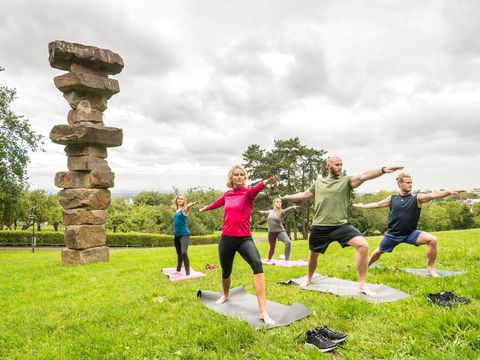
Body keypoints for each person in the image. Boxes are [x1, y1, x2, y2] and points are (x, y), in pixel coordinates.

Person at [281, 156, 403, 296]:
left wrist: (383, 170)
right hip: (320, 226)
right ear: (329, 166)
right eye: (337, 165)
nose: (340, 167)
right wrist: (288, 197)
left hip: (340, 225)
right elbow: (304, 194)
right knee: (313, 255)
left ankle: (363, 285)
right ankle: (308, 278)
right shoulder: (319, 183)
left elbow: (364, 176)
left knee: (363, 246)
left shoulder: (346, 181)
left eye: (341, 165)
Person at [200, 164, 276, 325]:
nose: (240, 177)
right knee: (226, 271)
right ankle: (226, 294)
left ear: (245, 177)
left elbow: (256, 189)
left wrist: (265, 183)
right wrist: (206, 208)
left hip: (244, 239)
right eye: (236, 175)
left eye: (242, 174)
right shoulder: (227, 194)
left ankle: (263, 311)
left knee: (257, 265)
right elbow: (217, 203)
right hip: (227, 239)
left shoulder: (248, 194)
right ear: (231, 178)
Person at [353, 173, 465, 277]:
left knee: (432, 240)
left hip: (410, 233)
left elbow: (433, 195)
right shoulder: (392, 198)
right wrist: (362, 206)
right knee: (378, 252)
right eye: (408, 182)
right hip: (393, 234)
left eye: (411, 183)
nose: (410, 185)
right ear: (400, 184)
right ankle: (365, 266)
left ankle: (430, 270)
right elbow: (377, 205)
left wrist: (449, 192)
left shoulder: (417, 198)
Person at [258, 198, 299, 262]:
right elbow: (265, 212)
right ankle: (269, 259)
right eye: (277, 202)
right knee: (272, 247)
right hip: (271, 232)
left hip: (280, 231)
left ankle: (286, 260)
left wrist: (293, 207)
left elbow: (287, 209)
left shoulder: (282, 212)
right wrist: (261, 212)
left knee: (288, 242)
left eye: (280, 202)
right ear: (274, 203)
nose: (279, 203)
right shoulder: (271, 211)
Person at [172, 194, 199, 277]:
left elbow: (187, 207)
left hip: (184, 235)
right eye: (178, 199)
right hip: (176, 235)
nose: (180, 200)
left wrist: (192, 204)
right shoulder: (176, 210)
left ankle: (187, 274)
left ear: (184, 201)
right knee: (179, 254)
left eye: (182, 199)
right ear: (176, 200)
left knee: (184, 252)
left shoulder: (184, 210)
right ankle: (178, 270)